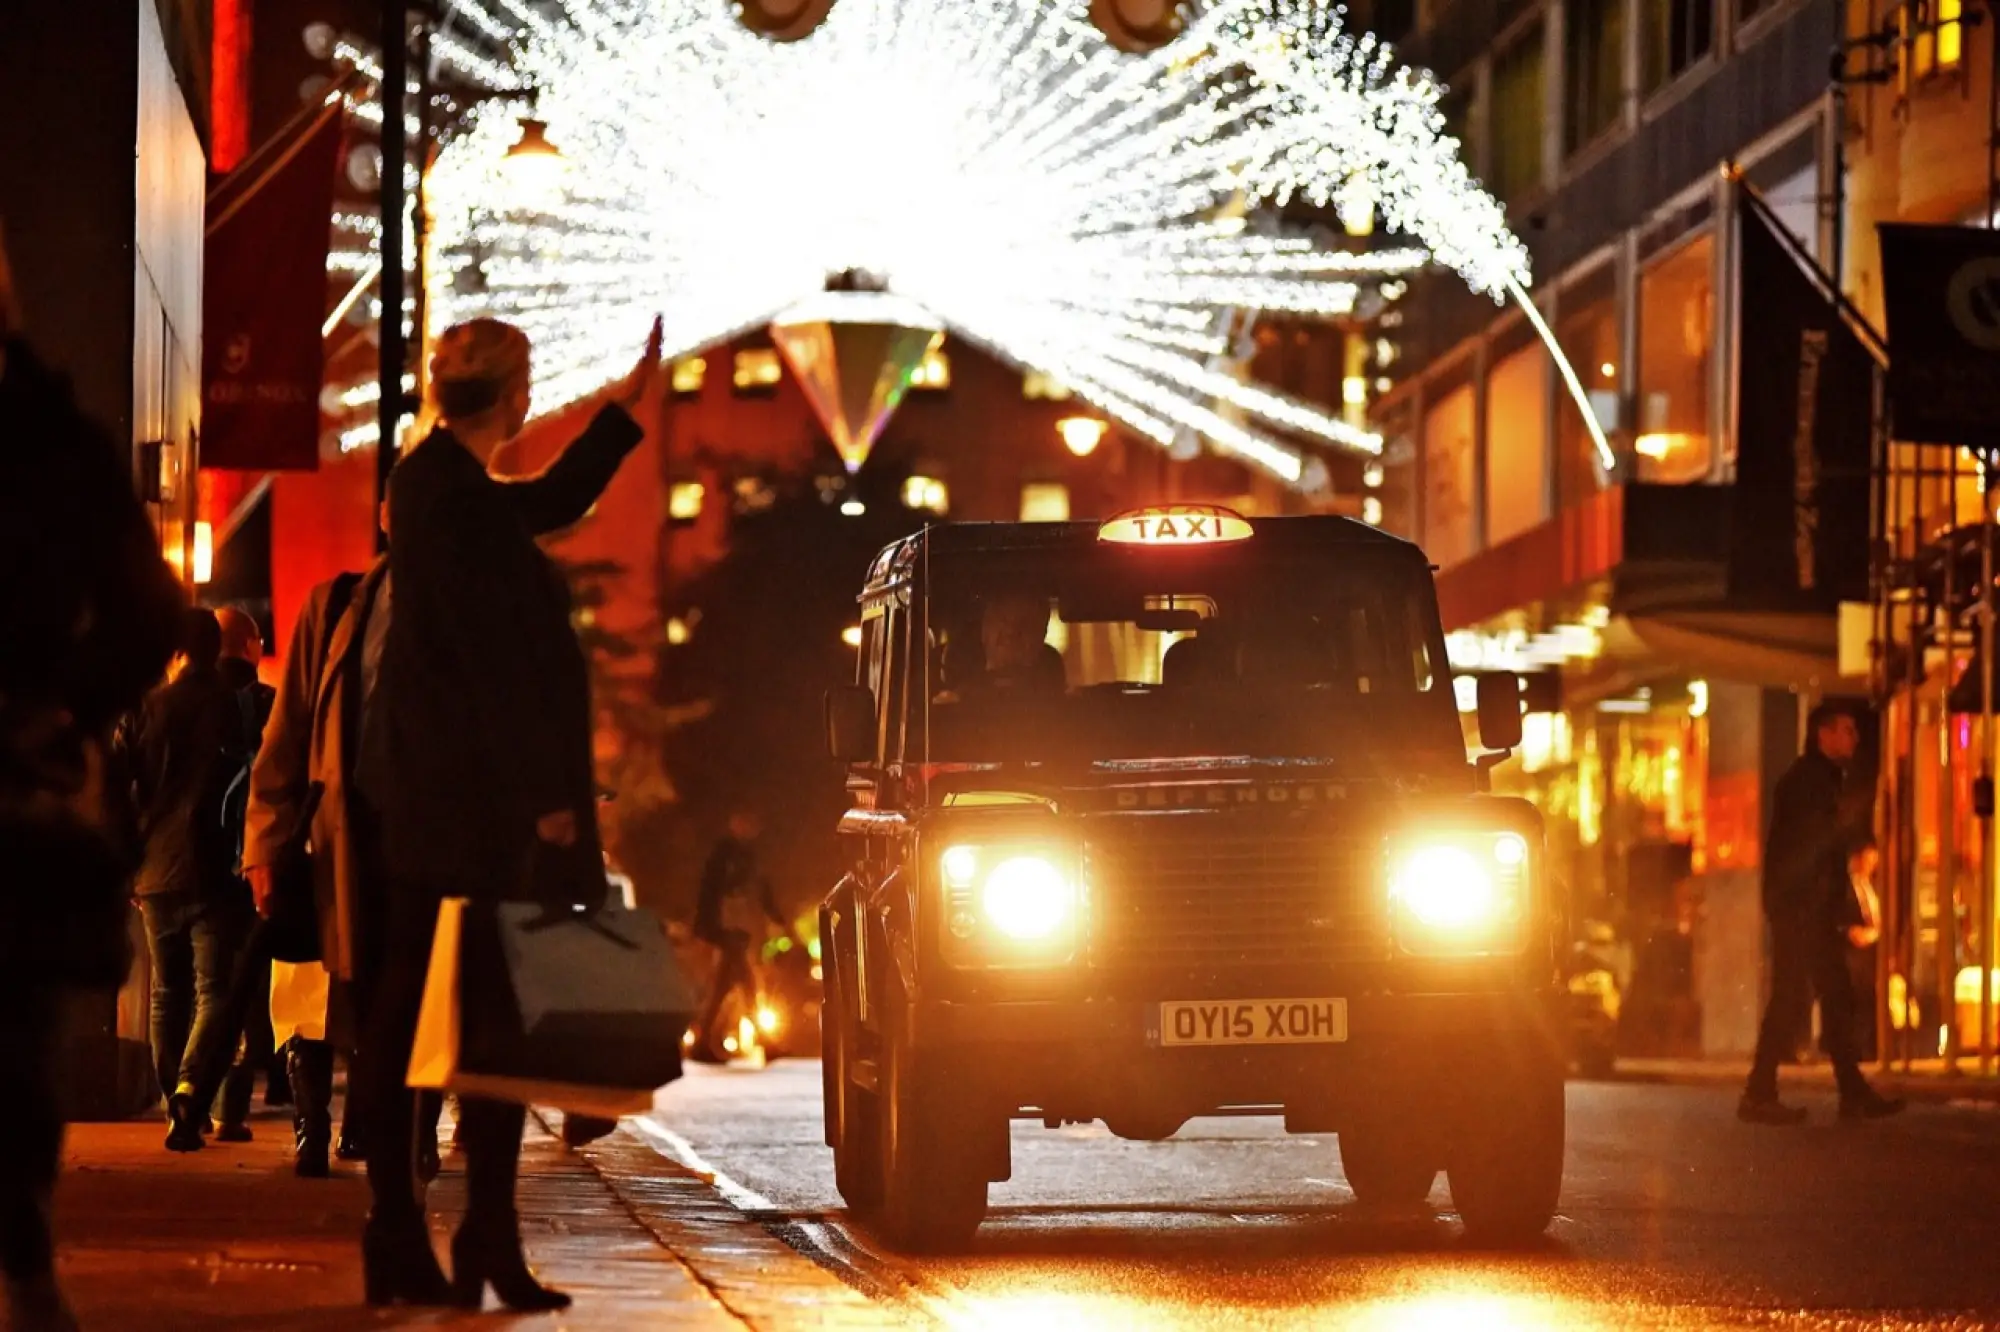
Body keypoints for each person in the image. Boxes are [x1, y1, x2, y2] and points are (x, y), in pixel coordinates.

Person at [350, 314, 660, 1310]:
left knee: (488, 1019)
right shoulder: (438, 491)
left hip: (460, 798)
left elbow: (549, 503)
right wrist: (542, 801)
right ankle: (406, 1231)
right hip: (456, 802)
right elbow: (483, 660)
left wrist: (623, 411)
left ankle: (483, 1231)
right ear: (513, 393)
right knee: (416, 1020)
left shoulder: (449, 488)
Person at [0, 242, 184, 1329]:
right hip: (21, 773)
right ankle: (24, 1263)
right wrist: (60, 707)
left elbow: (149, 619)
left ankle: (24, 1259)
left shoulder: (55, 446)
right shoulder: (57, 444)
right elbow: (151, 615)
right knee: (12, 1042)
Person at [121, 608, 257, 1151]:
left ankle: (176, 1107)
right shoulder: (234, 707)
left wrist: (128, 860)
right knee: (213, 992)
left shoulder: (146, 709)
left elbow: (119, 786)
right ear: (218, 649)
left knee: (166, 992)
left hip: (154, 869)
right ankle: (190, 1089)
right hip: (215, 869)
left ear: (178, 651)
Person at [1739, 705, 1904, 1125]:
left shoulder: (1820, 780)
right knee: (1794, 996)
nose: (1855, 738)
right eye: (1847, 730)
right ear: (1823, 735)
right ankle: (1760, 1093)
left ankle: (1849, 1092)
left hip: (1808, 908)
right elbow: (1812, 851)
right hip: (1801, 909)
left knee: (1833, 994)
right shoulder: (1809, 782)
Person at [211, 605, 287, 1138]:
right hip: (254, 856)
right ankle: (238, 1092)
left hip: (189, 862)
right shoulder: (268, 706)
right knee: (251, 977)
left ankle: (185, 1095)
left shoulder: (173, 703)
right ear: (253, 646)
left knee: (186, 986)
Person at [691, 810, 797, 1063]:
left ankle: (703, 1043)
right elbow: (713, 891)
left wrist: (777, 917)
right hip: (729, 929)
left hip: (734, 928)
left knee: (727, 988)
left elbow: (761, 890)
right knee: (746, 987)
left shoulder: (743, 855)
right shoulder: (726, 855)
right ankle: (762, 1043)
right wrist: (710, 926)